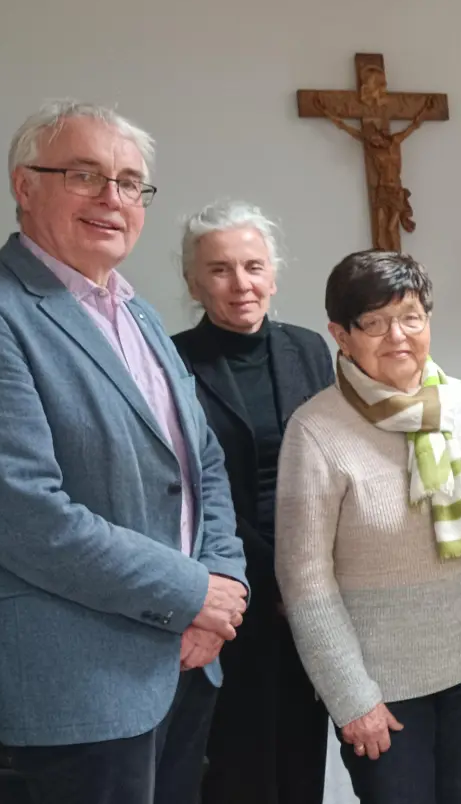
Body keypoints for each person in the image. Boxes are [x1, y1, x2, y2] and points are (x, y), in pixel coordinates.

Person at [0, 100, 248, 804]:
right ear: (25, 186)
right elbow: (25, 515)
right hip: (73, 688)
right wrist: (193, 592)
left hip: (186, 661)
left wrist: (222, 587)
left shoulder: (135, 311)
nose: (113, 198)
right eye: (85, 174)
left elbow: (202, 467)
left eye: (130, 182)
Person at [276, 251, 461, 804]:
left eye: (411, 316)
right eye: (374, 323)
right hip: (380, 686)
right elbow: (304, 580)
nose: (397, 336)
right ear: (341, 334)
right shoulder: (315, 430)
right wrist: (351, 697)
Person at [171, 201, 334, 804]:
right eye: (219, 269)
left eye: (252, 266)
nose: (240, 283)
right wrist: (266, 574)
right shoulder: (172, 361)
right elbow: (186, 482)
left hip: (309, 590)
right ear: (192, 281)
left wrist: (307, 574)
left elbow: (327, 462)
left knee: (301, 755)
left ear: (273, 272)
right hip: (225, 591)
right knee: (237, 766)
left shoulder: (309, 350)